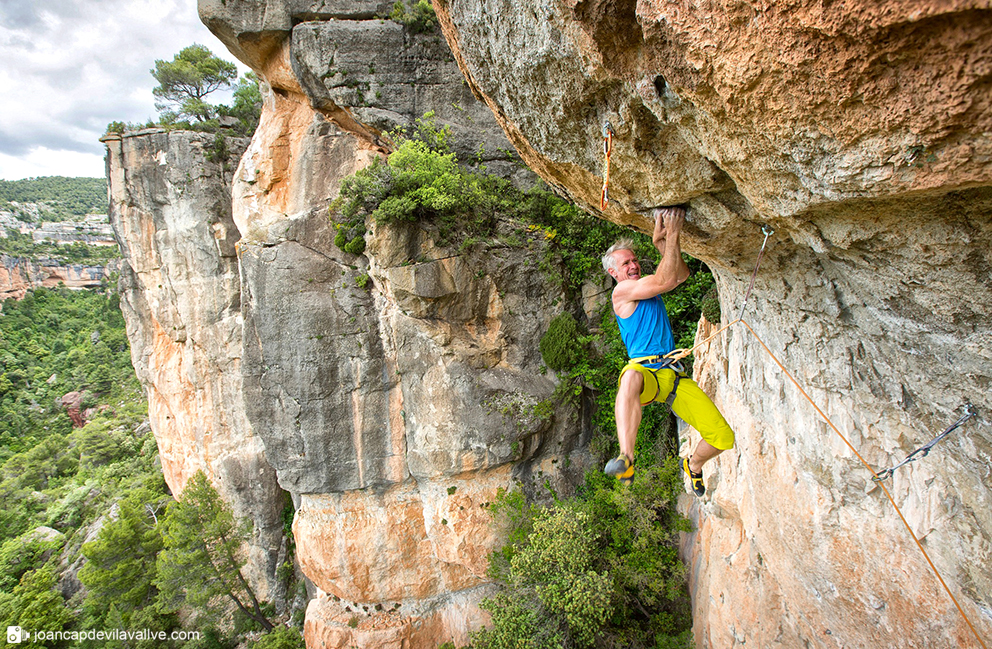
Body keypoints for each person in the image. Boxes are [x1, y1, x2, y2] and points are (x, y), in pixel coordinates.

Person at [601, 206, 734, 495]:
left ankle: (693, 465)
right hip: (645, 371)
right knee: (629, 378)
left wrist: (664, 245)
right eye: (626, 264)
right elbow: (665, 279)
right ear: (613, 273)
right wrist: (671, 234)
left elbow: (679, 275)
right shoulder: (621, 292)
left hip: (674, 378)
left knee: (723, 438)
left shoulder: (646, 285)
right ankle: (627, 457)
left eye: (635, 260)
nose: (633, 265)